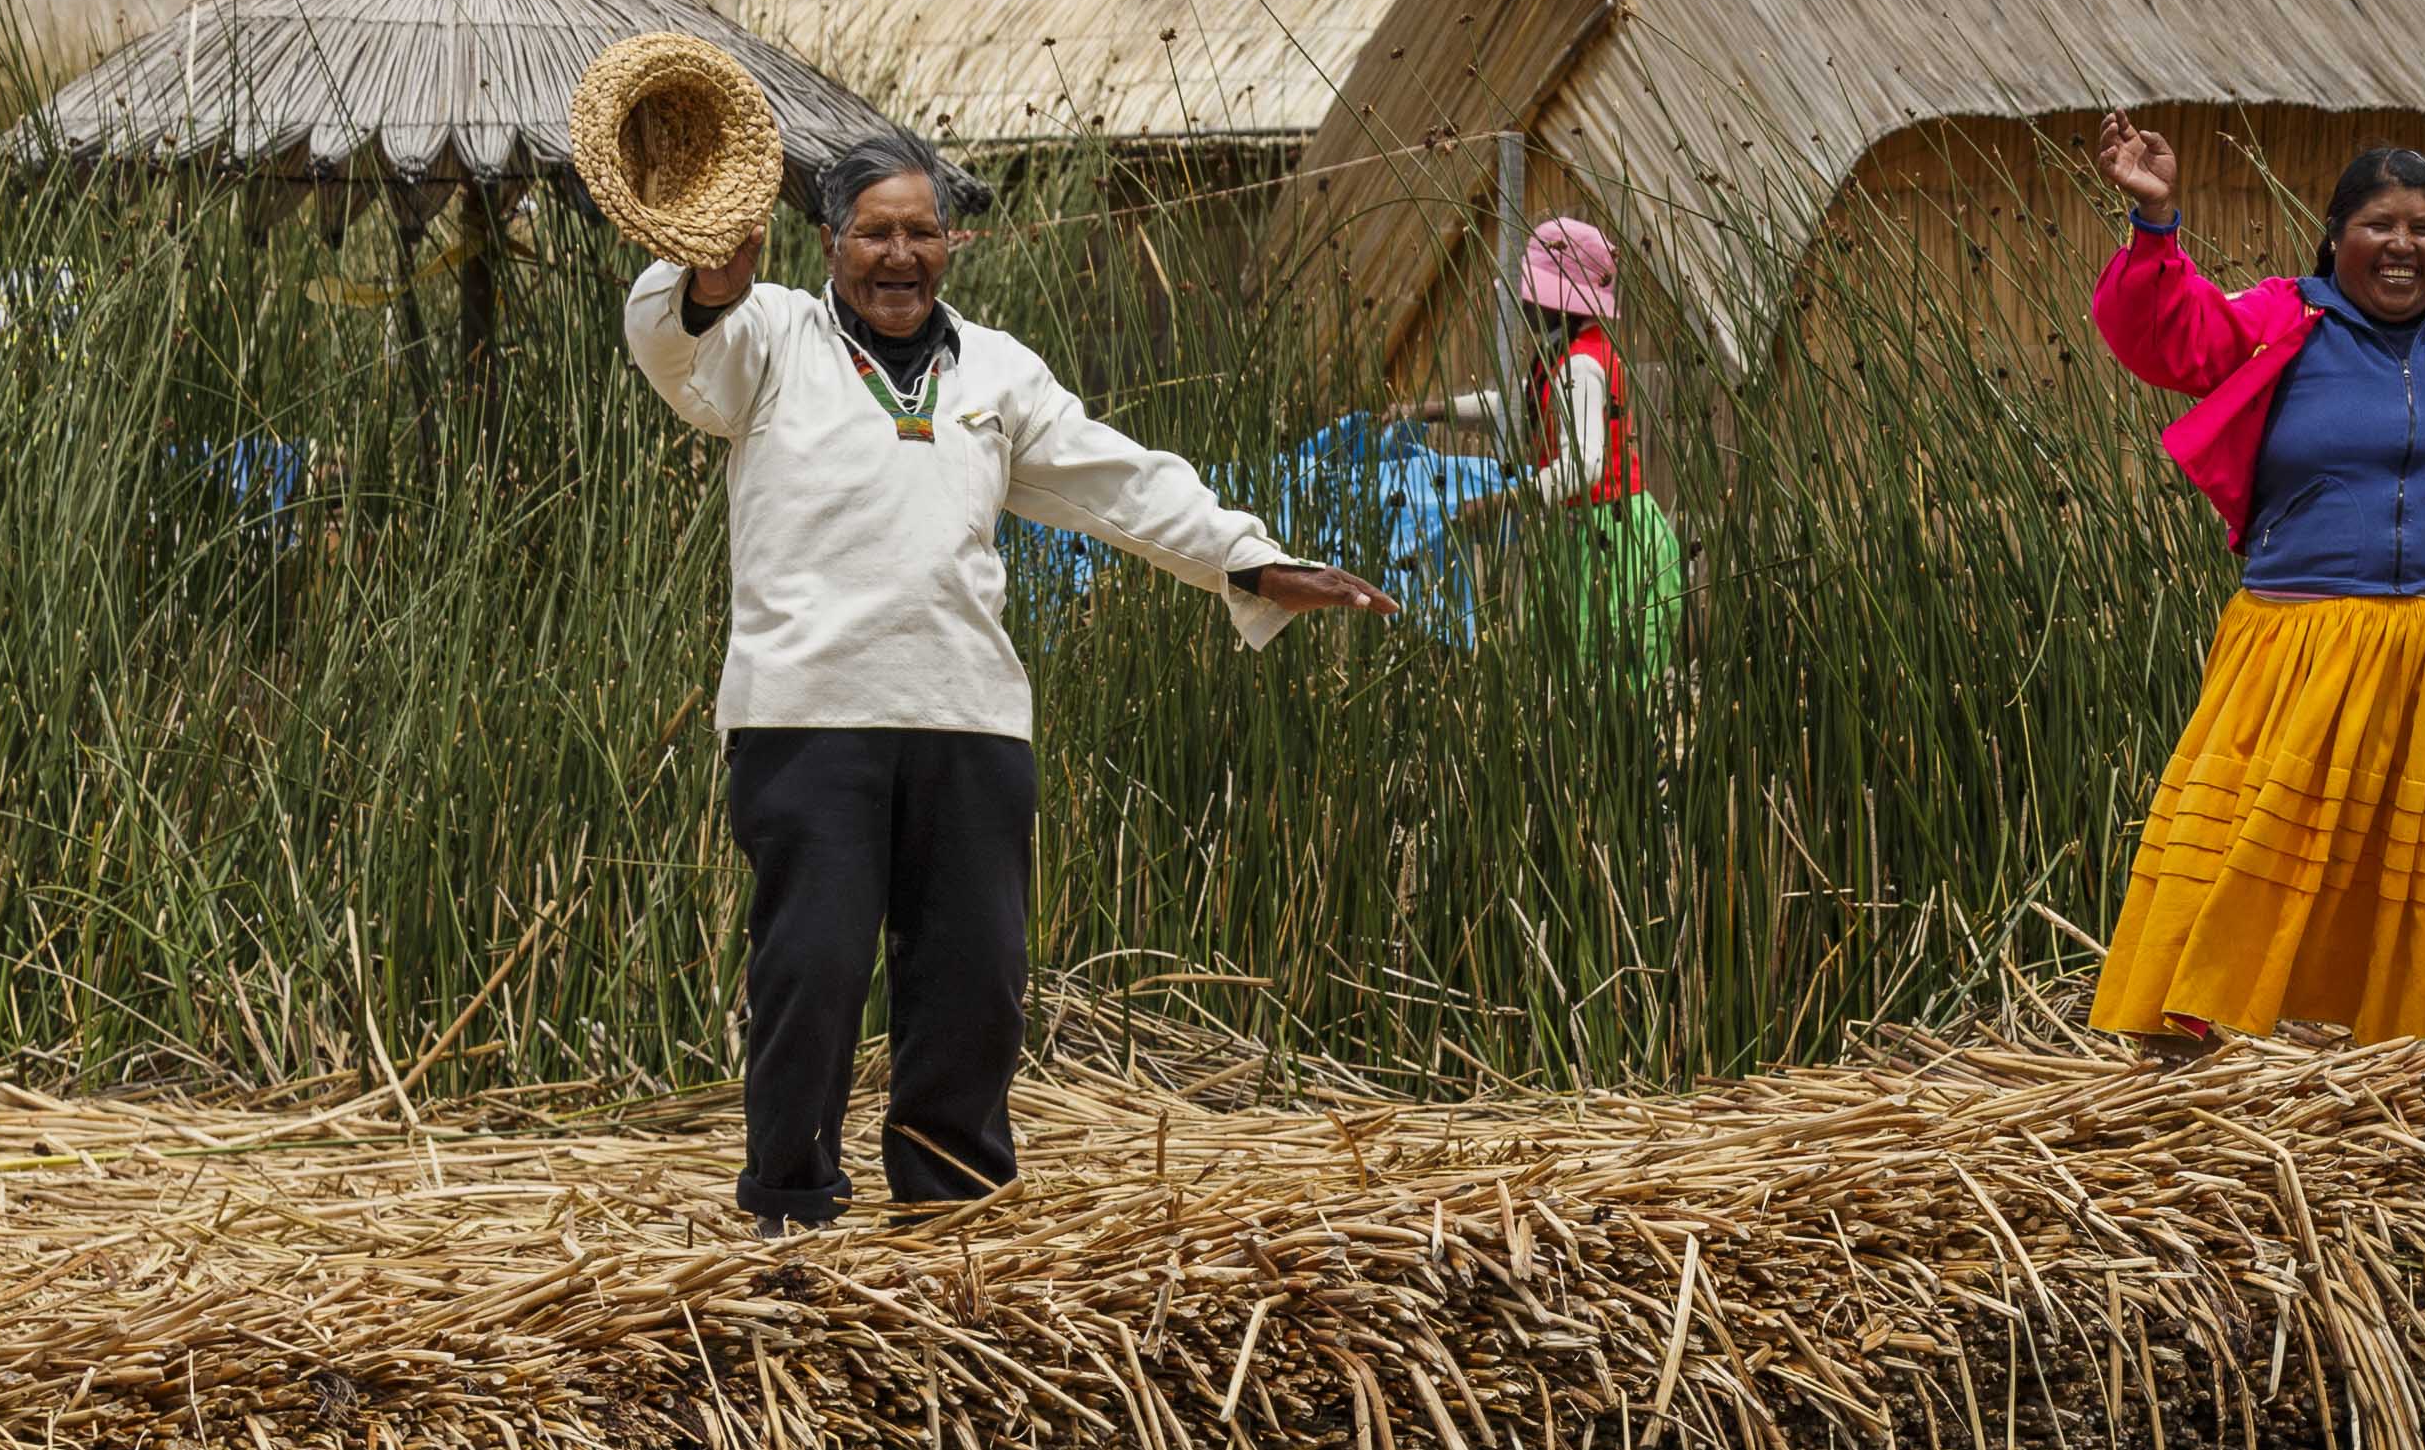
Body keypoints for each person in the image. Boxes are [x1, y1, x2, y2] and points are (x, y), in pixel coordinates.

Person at [625, 132, 1397, 1229]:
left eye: (921, 231)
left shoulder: (995, 369)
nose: (900, 255)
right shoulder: (769, 336)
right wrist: (708, 277)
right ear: (829, 240)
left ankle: (951, 1206)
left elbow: (1119, 482)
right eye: (875, 233)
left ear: (954, 240)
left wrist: (1251, 560)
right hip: (808, 716)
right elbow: (669, 347)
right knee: (813, 964)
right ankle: (792, 1208)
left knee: (975, 974)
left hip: (970, 719)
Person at [2083, 117, 2425, 1047]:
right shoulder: (2283, 320)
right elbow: (2166, 338)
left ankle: (2424, 1046)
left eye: (2423, 227)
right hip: (2301, 649)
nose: (2403, 245)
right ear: (2335, 237)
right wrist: (2156, 221)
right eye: (2378, 224)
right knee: (2248, 847)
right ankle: (2198, 1028)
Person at [1505, 216, 1683, 662]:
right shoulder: (1562, 353)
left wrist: (1511, 499)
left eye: (1533, 295)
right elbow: (1521, 405)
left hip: (1610, 538)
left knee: (1598, 663)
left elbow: (1585, 463)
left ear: (1561, 303)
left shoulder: (1581, 365)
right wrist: (1433, 412)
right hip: (1589, 530)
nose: (1525, 303)